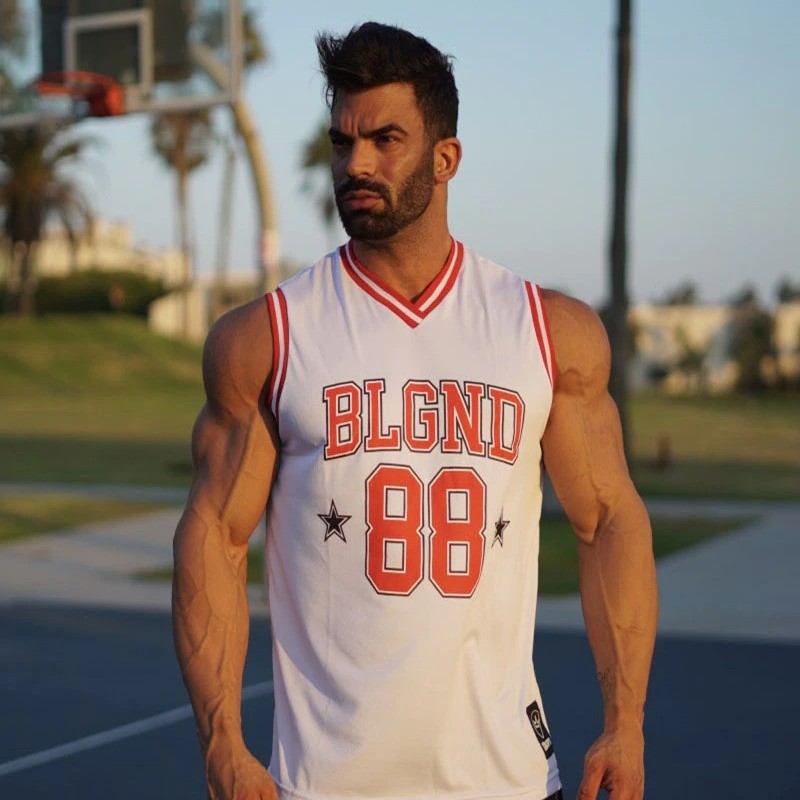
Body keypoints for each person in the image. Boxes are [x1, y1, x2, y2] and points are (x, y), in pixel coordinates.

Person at [172, 22, 658, 800]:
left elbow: (609, 523)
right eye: (342, 142)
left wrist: (625, 722)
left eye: (385, 140)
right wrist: (221, 744)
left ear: (445, 158)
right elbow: (214, 540)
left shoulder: (545, 331)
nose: (356, 163)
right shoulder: (266, 339)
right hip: (323, 786)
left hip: (506, 779)